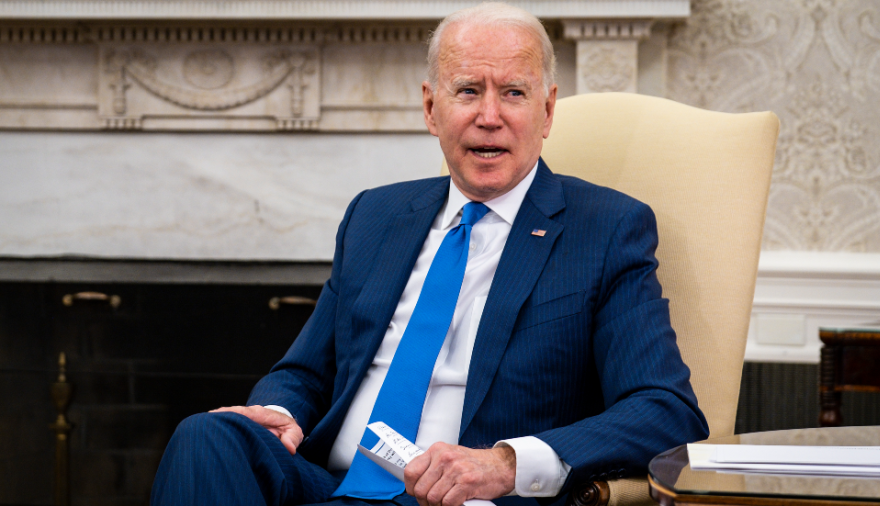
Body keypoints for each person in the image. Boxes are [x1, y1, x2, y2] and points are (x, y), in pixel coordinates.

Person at [150, 3, 709, 506]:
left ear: (547, 110)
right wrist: (282, 412)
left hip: (469, 501)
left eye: (513, 93)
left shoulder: (606, 228)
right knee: (207, 435)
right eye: (468, 90)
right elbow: (304, 372)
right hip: (331, 487)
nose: (490, 115)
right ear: (430, 107)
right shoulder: (375, 216)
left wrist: (506, 463)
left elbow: (664, 410)